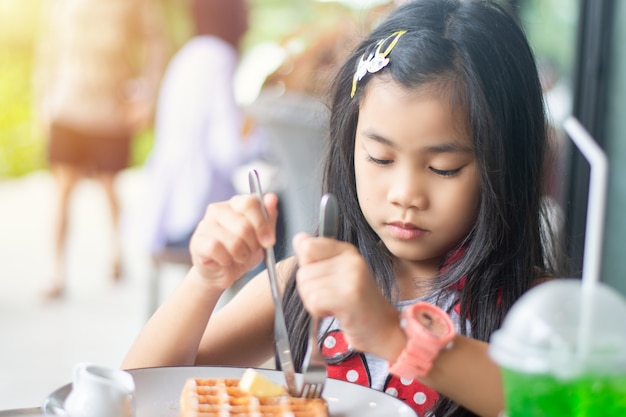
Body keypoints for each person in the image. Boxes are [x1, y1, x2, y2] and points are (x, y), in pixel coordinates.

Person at [122, 1, 564, 416]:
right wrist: (206, 280)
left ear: (506, 164)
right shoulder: (305, 288)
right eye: (380, 158)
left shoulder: (537, 312)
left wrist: (393, 333)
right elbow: (136, 392)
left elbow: (554, 403)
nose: (405, 193)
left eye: (444, 167)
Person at [33, 0, 167, 299]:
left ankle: (117, 253)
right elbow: (48, 47)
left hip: (110, 110)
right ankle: (56, 274)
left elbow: (156, 43)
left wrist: (146, 94)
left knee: (109, 186)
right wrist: (42, 101)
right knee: (63, 189)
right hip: (67, 106)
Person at [141, 0, 263, 256]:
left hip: (166, 213)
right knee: (273, 225)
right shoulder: (219, 58)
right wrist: (262, 139)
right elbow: (227, 151)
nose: (250, 14)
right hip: (195, 217)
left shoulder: (189, 54)